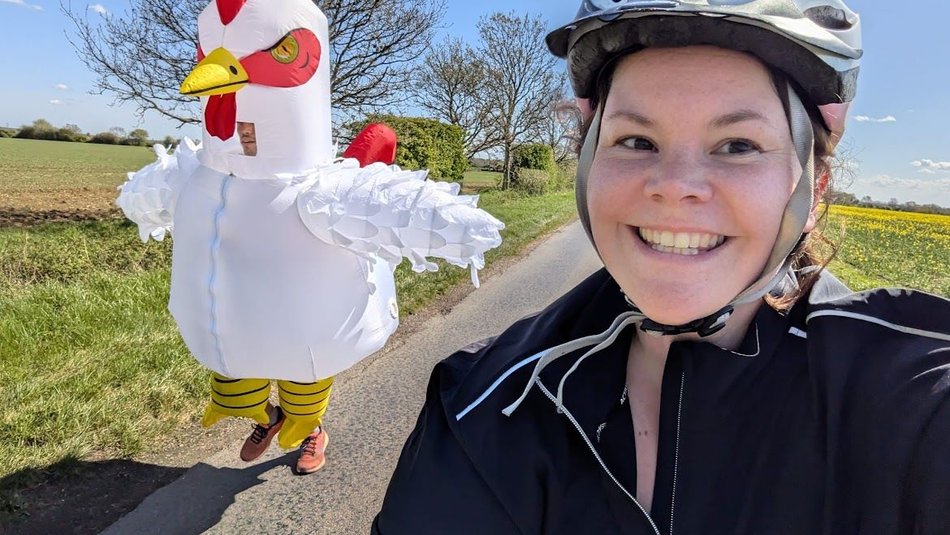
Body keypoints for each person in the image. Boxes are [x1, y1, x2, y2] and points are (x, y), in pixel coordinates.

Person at [373, 1, 950, 533]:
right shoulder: (484, 400)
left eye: (738, 145)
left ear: (814, 189)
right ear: (587, 164)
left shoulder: (907, 389)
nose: (674, 187)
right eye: (636, 140)